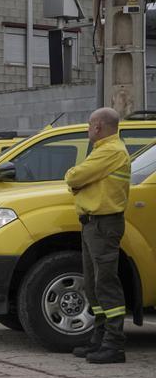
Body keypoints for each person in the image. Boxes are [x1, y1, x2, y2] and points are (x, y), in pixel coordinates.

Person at [65, 107, 131, 364]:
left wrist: (77, 180)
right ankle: (100, 338)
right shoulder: (103, 150)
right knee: (93, 284)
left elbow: (75, 176)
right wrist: (80, 181)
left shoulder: (111, 151)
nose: (87, 128)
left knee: (105, 283)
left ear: (100, 127)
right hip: (93, 224)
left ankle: (114, 345)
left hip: (104, 224)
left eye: (90, 124)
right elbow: (80, 180)